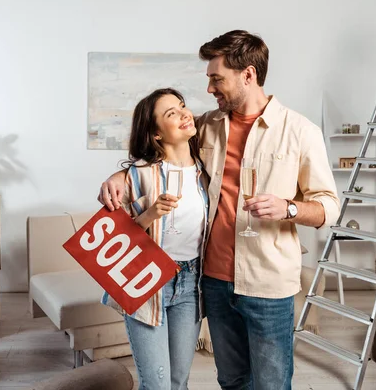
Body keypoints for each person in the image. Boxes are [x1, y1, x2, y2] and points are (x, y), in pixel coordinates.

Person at [99, 30, 340, 390]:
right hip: (212, 282)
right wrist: (121, 175)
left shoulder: (301, 131)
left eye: (216, 79)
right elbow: (160, 149)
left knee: (272, 383)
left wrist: (288, 207)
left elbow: (329, 208)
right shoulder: (207, 125)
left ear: (248, 75)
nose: (210, 89)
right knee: (232, 381)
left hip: (268, 283)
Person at [101, 88, 210, 390]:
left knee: (179, 381)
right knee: (157, 385)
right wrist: (149, 215)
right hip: (147, 282)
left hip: (191, 282)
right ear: (157, 134)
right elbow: (114, 242)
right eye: (171, 114)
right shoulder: (138, 175)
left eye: (182, 107)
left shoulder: (206, 172)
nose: (184, 114)